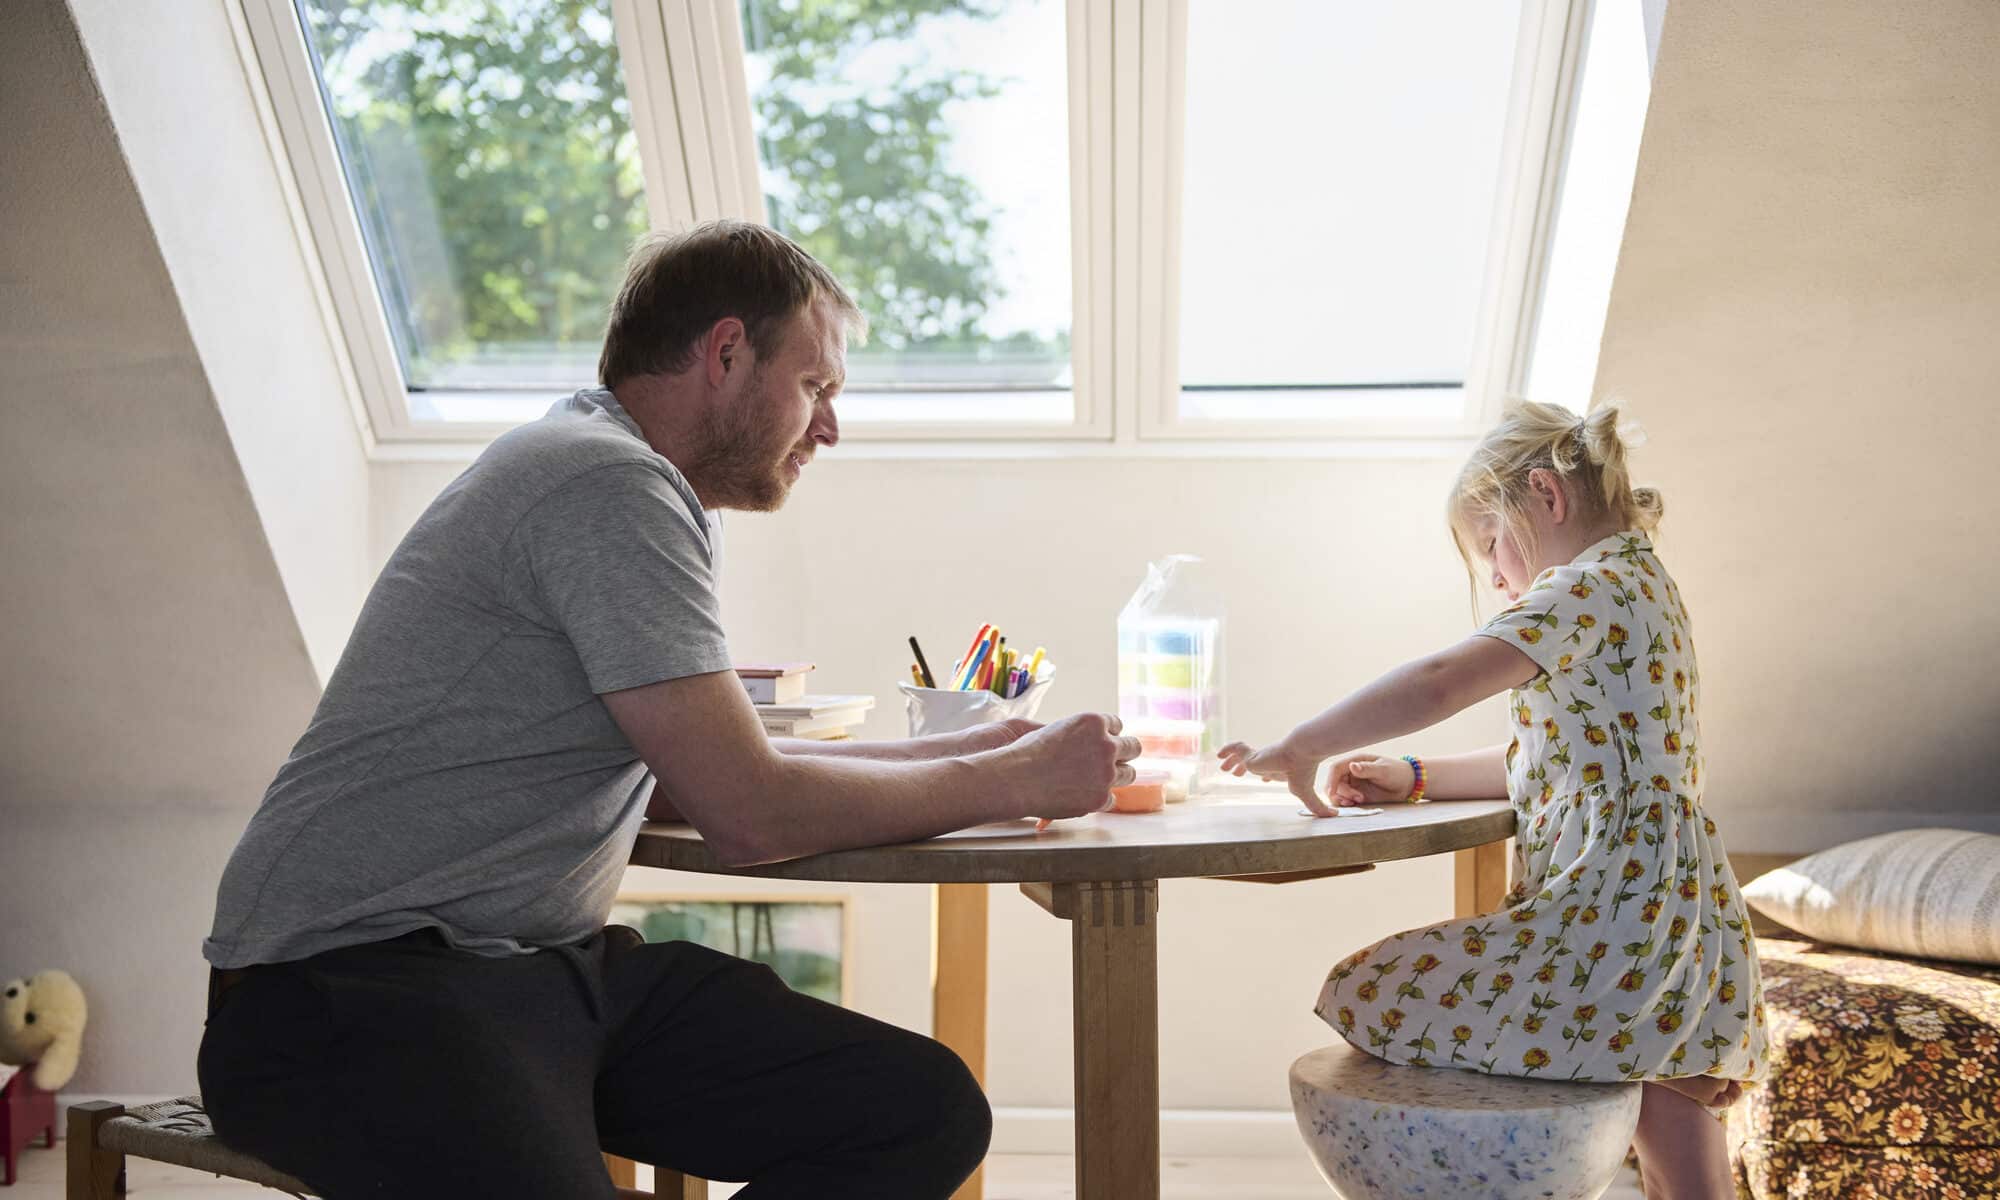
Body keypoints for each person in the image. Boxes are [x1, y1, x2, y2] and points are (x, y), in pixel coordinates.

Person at [197, 220, 1140, 1200]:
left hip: (538, 979)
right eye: (815, 386)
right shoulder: (603, 484)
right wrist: (1009, 778)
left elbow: (706, 775)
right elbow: (749, 812)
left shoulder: (635, 483)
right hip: (345, 995)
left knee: (920, 1108)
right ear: (726, 353)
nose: (829, 428)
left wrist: (981, 753)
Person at [1219, 401, 1765, 1199]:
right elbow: (1557, 764)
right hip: (1665, 905)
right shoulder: (1642, 584)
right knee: (1674, 1138)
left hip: (1615, 907)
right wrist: (1416, 775)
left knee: (1371, 989)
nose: (1500, 579)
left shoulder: (1590, 585)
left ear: (1546, 496)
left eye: (1491, 548)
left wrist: (1305, 744)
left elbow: (1441, 680)